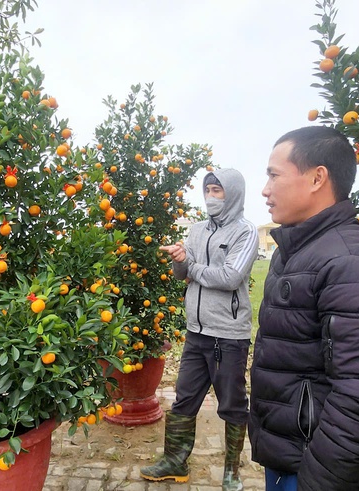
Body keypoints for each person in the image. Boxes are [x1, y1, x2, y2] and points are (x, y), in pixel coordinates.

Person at [249, 126, 359, 491]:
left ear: (317, 177)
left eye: (274, 175)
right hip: (288, 456)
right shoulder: (294, 251)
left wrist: (318, 482)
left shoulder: (355, 265)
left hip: (318, 471)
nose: (265, 189)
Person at [141, 168, 259, 490]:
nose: (211, 197)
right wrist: (181, 260)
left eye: (217, 190)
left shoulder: (245, 233)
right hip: (197, 332)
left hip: (229, 335)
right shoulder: (196, 230)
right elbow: (183, 275)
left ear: (232, 193)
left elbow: (230, 277)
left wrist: (193, 268)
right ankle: (174, 462)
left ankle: (233, 471)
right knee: (184, 399)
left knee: (232, 404)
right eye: (207, 190)